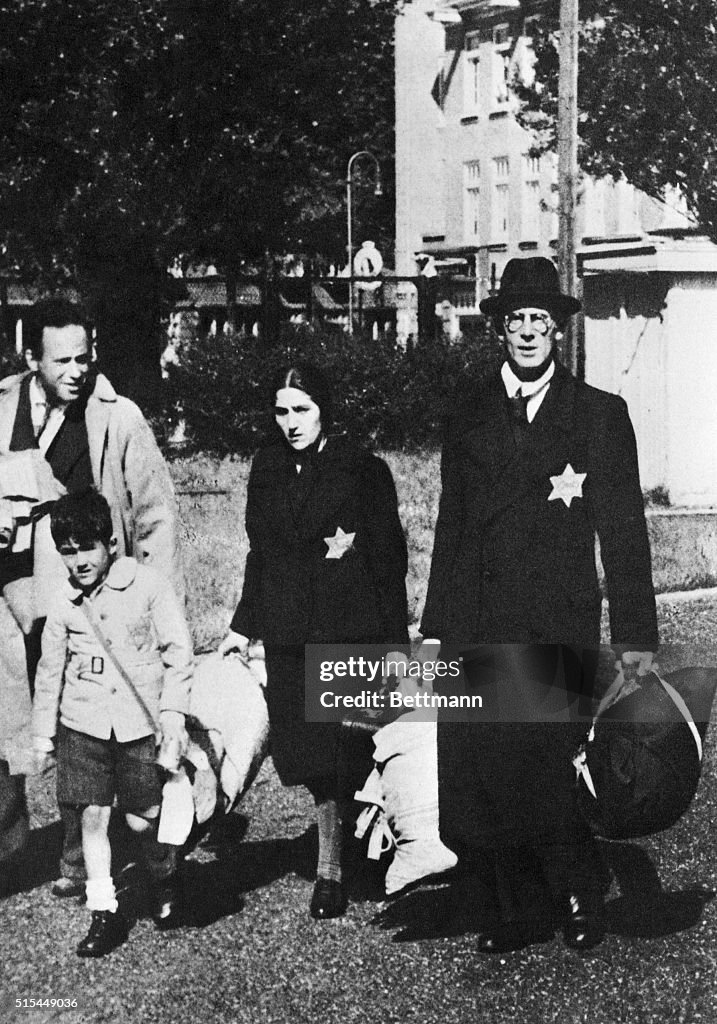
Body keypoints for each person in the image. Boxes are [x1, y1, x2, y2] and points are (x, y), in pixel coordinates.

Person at [420, 257, 658, 952]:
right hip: (477, 616)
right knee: (488, 769)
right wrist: (438, 626)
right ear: (497, 329)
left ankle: (580, 893)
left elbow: (624, 534)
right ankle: (513, 906)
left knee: (552, 763)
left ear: (558, 332)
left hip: (555, 615)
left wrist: (635, 634)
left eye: (540, 322)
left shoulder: (597, 416)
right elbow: (451, 523)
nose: (527, 332)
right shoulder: (466, 413)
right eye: (515, 319)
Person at [0, 297, 184, 897]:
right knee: (14, 726)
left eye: (85, 357)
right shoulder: (3, 406)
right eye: (63, 361)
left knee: (83, 727)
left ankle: (79, 858)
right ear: (32, 359)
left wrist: (152, 607)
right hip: (7, 598)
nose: (77, 371)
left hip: (84, 600)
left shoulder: (118, 417)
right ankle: (11, 841)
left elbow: (156, 517)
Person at [219, 362, 409, 919]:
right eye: (281, 410)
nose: (291, 422)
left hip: (346, 627)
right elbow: (261, 554)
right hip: (286, 628)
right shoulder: (267, 467)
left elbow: (388, 563)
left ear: (325, 410)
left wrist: (396, 646)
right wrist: (241, 625)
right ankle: (347, 840)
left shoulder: (363, 471)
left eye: (301, 409)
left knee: (341, 749)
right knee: (303, 750)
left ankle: (333, 868)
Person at [32, 490, 192, 956]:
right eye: (66, 550)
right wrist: (44, 732)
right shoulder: (63, 600)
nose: (77, 561)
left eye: (86, 547)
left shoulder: (147, 585)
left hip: (139, 726)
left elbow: (178, 654)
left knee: (143, 822)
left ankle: (165, 877)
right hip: (82, 726)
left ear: (111, 542)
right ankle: (103, 911)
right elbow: (50, 668)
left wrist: (173, 715)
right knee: (92, 817)